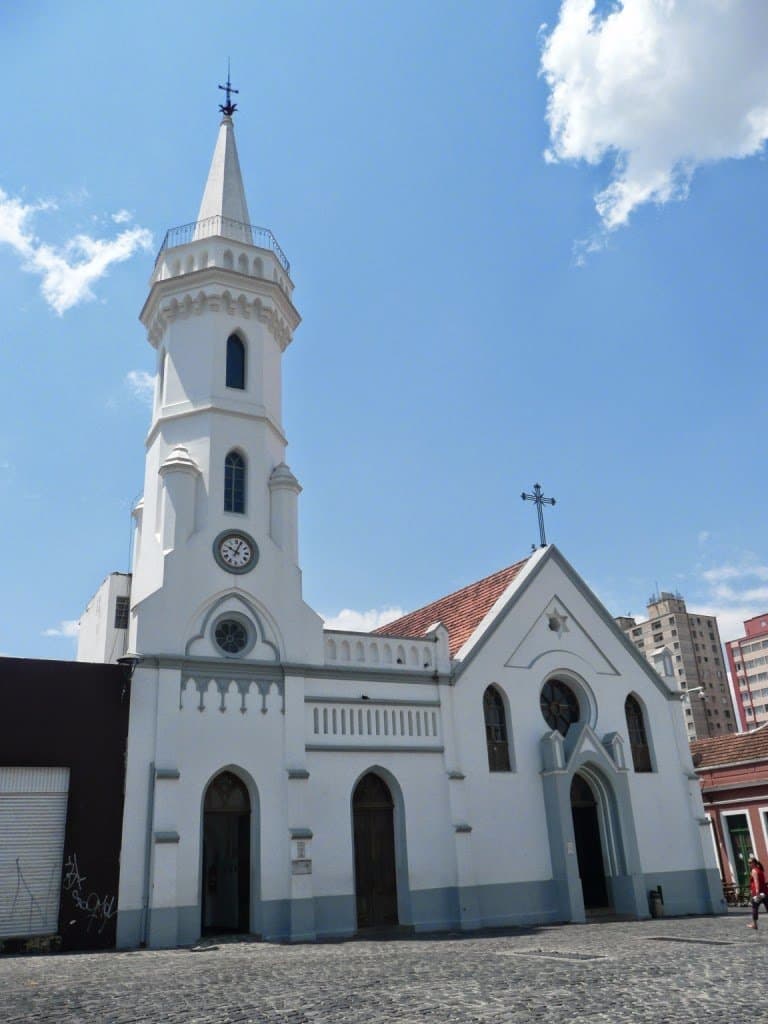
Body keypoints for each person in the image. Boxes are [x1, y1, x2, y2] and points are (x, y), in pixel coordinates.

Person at [747, 856, 768, 929]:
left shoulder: (754, 870)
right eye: (748, 862)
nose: (748, 864)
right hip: (765, 892)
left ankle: (754, 925)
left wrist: (757, 892)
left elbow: (756, 882)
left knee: (754, 908)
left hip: (757, 893)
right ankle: (754, 924)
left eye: (750, 862)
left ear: (754, 863)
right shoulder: (760, 870)